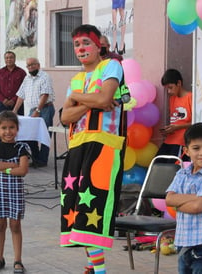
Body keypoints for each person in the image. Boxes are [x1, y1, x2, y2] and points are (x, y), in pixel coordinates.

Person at [60, 24, 127, 274]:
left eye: (86, 43)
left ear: (98, 45)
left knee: (93, 208)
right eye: (77, 44)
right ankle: (92, 266)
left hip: (103, 145)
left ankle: (99, 271)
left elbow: (103, 99)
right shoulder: (76, 79)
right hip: (78, 145)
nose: (81, 48)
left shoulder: (111, 66)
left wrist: (78, 100)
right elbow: (66, 116)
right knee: (77, 209)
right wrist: (91, 102)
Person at [165, 122, 202, 274]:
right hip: (183, 241)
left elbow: (198, 208)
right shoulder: (181, 174)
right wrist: (197, 197)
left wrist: (180, 203)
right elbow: (169, 199)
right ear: (187, 151)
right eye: (196, 148)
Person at [0, 111, 30, 274]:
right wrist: (12, 166)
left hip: (15, 193)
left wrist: (2, 167)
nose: (8, 131)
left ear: (17, 128)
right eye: (4, 128)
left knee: (15, 225)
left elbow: (23, 170)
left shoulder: (22, 147)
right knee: (0, 225)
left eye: (11, 127)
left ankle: (18, 260)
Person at [12, 57, 55, 168]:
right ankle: (36, 159)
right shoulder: (27, 79)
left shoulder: (45, 77)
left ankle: (42, 160)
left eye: (33, 65)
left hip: (45, 108)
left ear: (38, 65)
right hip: (33, 109)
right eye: (28, 65)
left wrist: (38, 110)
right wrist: (15, 110)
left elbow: (45, 95)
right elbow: (21, 95)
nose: (30, 67)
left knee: (44, 134)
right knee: (30, 134)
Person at [156, 69, 192, 162]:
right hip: (169, 140)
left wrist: (177, 127)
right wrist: (168, 130)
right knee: (156, 165)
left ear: (179, 83)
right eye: (167, 88)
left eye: (170, 87)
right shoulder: (172, 99)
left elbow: (196, 122)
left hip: (182, 142)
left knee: (172, 169)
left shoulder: (190, 97)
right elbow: (175, 120)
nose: (169, 91)